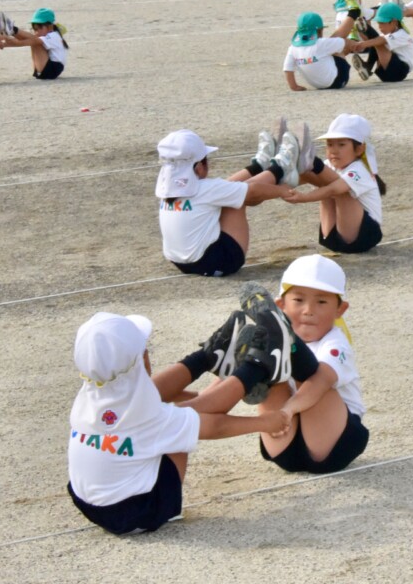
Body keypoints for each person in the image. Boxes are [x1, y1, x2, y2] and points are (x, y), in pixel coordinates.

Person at [66, 310, 293, 535]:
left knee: (160, 408)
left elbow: (148, 408)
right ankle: (258, 366)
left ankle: (209, 356)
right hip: (136, 512)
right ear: (143, 360)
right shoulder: (146, 418)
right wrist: (263, 422)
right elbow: (214, 426)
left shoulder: (89, 394)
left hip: (88, 502)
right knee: (181, 425)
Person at [240, 255, 369, 475]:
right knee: (271, 370)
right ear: (282, 305)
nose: (309, 310)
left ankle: (279, 333)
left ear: (340, 310)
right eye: (299, 300)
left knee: (309, 372)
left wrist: (288, 410)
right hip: (284, 443)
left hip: (333, 444)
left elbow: (320, 382)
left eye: (321, 302)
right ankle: (263, 359)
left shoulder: (336, 343)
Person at [155, 125, 307, 277]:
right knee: (234, 197)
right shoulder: (205, 189)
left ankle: (259, 166)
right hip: (219, 262)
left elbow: (222, 189)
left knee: (226, 192)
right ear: (199, 167)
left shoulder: (166, 190)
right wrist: (281, 190)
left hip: (181, 262)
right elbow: (253, 192)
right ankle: (281, 169)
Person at [282, 113, 385, 254]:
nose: (334, 151)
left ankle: (312, 161)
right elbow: (300, 179)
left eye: (341, 145)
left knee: (338, 187)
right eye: (329, 145)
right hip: (330, 238)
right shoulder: (330, 166)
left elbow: (333, 190)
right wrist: (279, 184)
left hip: (362, 238)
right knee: (315, 176)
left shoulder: (361, 170)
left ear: (359, 149)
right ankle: (296, 160)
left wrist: (304, 198)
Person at [283, 12, 357, 91]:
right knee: (337, 47)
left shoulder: (292, 48)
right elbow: (345, 42)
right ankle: (353, 14)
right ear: (319, 30)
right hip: (339, 80)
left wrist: (294, 86)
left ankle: (352, 15)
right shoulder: (321, 43)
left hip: (317, 85)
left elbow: (287, 68)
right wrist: (358, 44)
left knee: (328, 50)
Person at [0, 7, 69, 80]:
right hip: (47, 67)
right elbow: (27, 41)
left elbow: (29, 42)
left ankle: (12, 29)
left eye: (39, 28)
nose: (36, 32)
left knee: (35, 40)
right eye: (34, 29)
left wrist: (13, 42)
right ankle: (11, 30)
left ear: (50, 27)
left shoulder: (54, 36)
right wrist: (4, 44)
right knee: (33, 39)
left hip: (52, 69)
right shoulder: (48, 35)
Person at [349, 2, 413, 84]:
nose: (380, 26)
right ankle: (368, 67)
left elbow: (380, 41)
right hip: (383, 72)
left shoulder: (402, 34)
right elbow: (373, 42)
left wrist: (363, 44)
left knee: (378, 41)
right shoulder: (386, 35)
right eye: (378, 23)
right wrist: (359, 40)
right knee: (375, 42)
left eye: (383, 23)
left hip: (399, 71)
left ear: (394, 22)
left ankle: (366, 27)